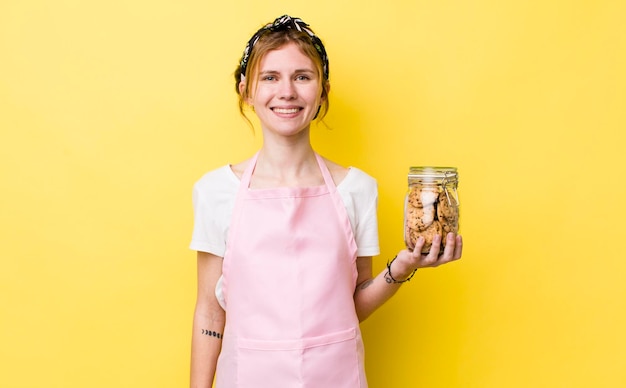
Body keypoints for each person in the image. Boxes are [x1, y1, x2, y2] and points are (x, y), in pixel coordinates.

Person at [189, 15, 462, 388]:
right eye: (270, 77)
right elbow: (209, 311)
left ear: (322, 91)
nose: (287, 91)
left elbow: (353, 303)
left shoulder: (357, 189)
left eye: (302, 76)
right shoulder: (215, 191)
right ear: (246, 91)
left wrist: (403, 266)